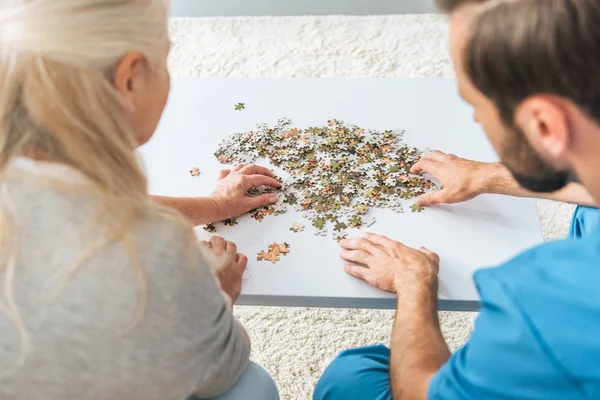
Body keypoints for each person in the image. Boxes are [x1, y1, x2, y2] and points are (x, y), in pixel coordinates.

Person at [314, 0, 600, 399]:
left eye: (475, 105)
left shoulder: (539, 296)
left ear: (545, 125)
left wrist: (414, 283)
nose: (478, 120)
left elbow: (420, 393)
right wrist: (491, 176)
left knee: (351, 377)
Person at [0, 1, 279, 399]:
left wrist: (215, 207)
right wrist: (215, 295)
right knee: (251, 386)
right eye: (164, 61)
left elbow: (95, 206)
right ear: (129, 80)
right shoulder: (152, 251)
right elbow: (219, 366)